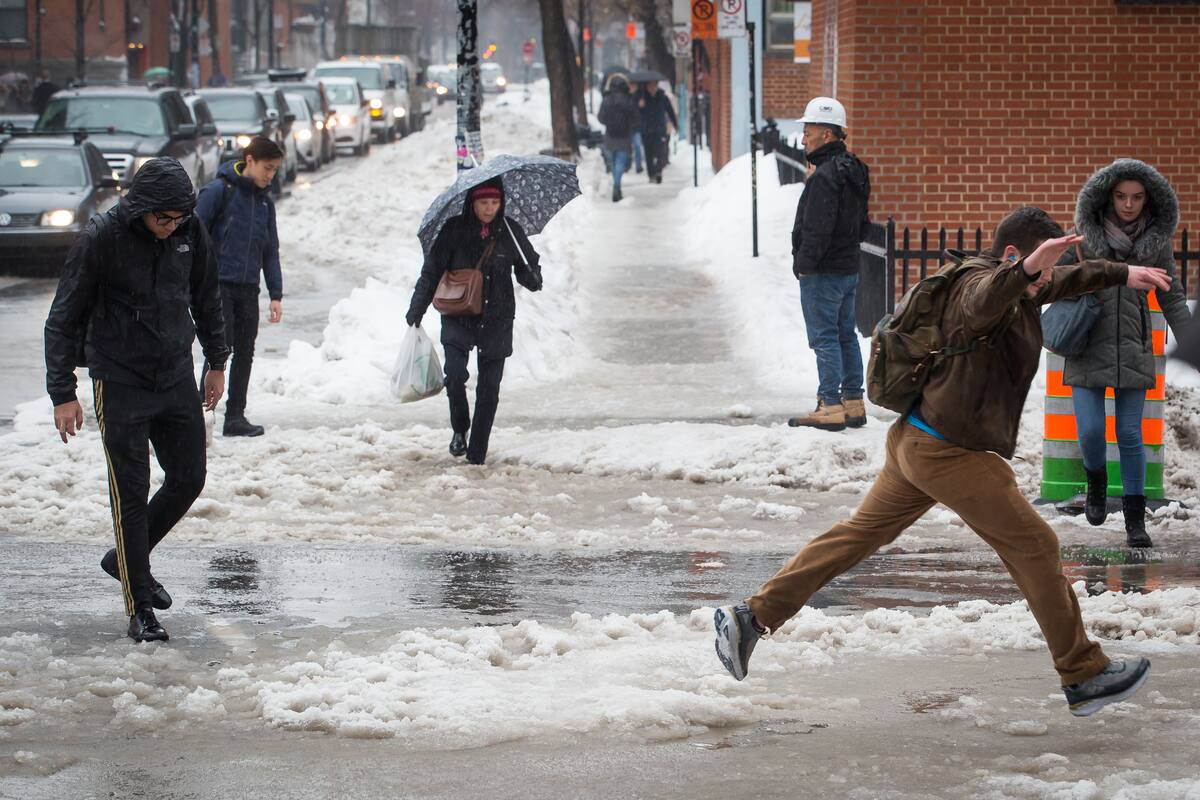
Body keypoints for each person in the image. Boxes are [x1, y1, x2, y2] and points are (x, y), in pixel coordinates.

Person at [714, 206, 1173, 717]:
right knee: (1037, 546)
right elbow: (985, 300)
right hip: (948, 452)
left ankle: (751, 617)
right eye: (1038, 269)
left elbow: (1060, 281)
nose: (1046, 281)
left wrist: (1121, 273)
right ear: (1013, 257)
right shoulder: (977, 288)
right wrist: (1026, 271)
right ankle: (1083, 674)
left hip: (916, 440)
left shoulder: (1021, 285)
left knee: (857, 535)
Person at [44, 158, 229, 643]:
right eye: (163, 218)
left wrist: (216, 360)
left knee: (189, 477)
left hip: (174, 373)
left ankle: (123, 559)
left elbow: (206, 295)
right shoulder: (101, 238)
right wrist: (63, 392)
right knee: (130, 490)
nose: (171, 227)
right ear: (141, 208)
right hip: (120, 378)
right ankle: (140, 605)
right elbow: (62, 317)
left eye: (179, 219)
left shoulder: (189, 230)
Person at [1061, 160, 1190, 548]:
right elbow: (1051, 279)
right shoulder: (1083, 238)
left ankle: (1136, 520)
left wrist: (1190, 341)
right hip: (1087, 345)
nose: (1129, 205)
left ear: (1149, 199)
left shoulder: (1155, 244)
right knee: (1090, 431)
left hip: (1134, 347)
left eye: (1137, 197)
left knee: (1130, 434)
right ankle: (1096, 482)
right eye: (1121, 196)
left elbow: (1172, 296)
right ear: (1108, 196)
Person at [405, 179, 543, 465]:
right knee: (455, 376)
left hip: (497, 317)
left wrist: (532, 276)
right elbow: (431, 272)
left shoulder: (510, 231)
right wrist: (417, 308)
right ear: (472, 203)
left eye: (495, 202)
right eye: (483, 203)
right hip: (459, 314)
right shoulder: (453, 230)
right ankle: (460, 428)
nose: (490, 209)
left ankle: (477, 453)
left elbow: (528, 271)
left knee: (489, 389)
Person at [787, 97, 871, 432]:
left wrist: (804, 264)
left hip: (823, 271)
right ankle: (853, 402)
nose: (803, 139)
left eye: (808, 132)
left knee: (824, 338)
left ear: (827, 133)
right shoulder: (854, 169)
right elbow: (861, 223)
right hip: (847, 267)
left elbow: (818, 228)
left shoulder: (825, 176)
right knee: (845, 334)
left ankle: (830, 404)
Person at [196, 136, 284, 438]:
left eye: (274, 170)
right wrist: (195, 280)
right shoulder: (219, 191)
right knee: (218, 351)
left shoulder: (264, 203)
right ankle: (202, 416)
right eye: (267, 168)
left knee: (246, 351)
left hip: (248, 288)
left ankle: (235, 416)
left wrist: (276, 294)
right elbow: (194, 235)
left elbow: (270, 250)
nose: (270, 175)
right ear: (249, 161)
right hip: (218, 285)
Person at [598, 76, 638, 203]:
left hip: (610, 135)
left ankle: (616, 185)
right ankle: (617, 186)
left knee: (613, 162)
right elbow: (635, 118)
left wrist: (610, 122)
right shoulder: (629, 99)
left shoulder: (607, 99)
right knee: (620, 163)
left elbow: (601, 118)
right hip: (624, 136)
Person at [636, 81, 676, 184]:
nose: (652, 88)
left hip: (659, 130)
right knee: (649, 154)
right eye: (650, 86)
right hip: (646, 130)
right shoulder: (642, 97)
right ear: (647, 86)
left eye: (654, 85)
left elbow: (670, 111)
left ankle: (658, 172)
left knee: (660, 153)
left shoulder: (662, 97)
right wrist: (639, 106)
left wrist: (675, 124)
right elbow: (635, 113)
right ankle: (651, 175)